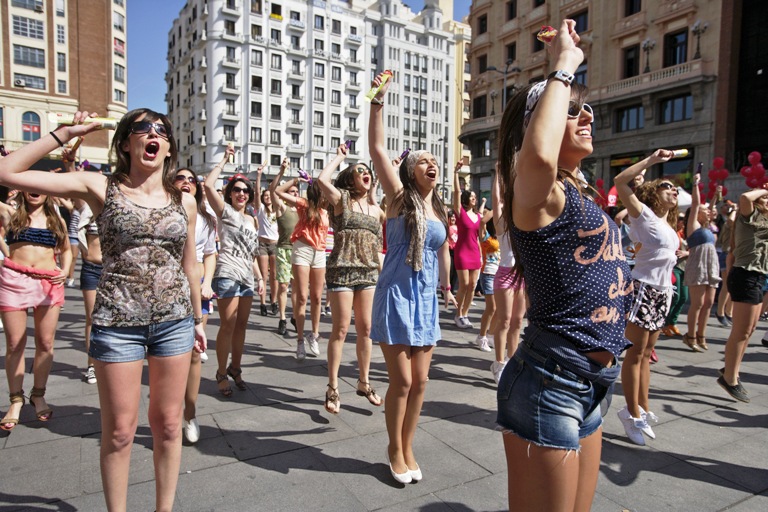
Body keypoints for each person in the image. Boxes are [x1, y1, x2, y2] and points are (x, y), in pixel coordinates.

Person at [0, 109, 206, 512]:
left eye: (161, 131)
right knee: (119, 432)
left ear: (168, 148)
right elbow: (7, 171)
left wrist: (198, 320)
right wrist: (65, 133)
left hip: (174, 323)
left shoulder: (186, 201)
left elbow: (190, 265)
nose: (153, 134)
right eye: (142, 129)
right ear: (127, 142)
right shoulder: (100, 185)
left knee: (167, 426)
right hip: (117, 325)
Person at [495, 20, 631, 510]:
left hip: (593, 385)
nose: (587, 115)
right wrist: (565, 67)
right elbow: (535, 157)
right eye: (573, 111)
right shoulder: (540, 195)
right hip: (550, 381)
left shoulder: (581, 194)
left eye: (587, 108)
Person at [368, 71, 456, 484]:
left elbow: (443, 251)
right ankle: (393, 447)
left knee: (420, 382)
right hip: (397, 293)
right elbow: (377, 148)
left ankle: (408, 444)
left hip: (425, 298)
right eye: (424, 160)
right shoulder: (399, 198)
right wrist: (377, 102)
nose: (431, 164)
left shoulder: (438, 209)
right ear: (409, 169)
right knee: (401, 380)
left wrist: (448, 288)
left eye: (434, 161)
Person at [613, 151, 679, 446]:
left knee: (647, 356)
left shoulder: (668, 226)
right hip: (644, 290)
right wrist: (652, 161)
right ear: (654, 193)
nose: (674, 191)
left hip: (663, 292)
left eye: (675, 188)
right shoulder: (644, 215)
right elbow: (620, 181)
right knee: (635, 353)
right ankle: (630, 412)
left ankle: (643, 407)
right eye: (667, 187)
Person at [317, 144, 385, 414]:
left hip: (368, 272)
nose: (365, 173)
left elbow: (379, 247)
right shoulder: (340, 199)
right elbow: (321, 180)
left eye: (368, 171)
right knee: (341, 329)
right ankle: (332, 387)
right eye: (359, 171)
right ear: (349, 179)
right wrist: (340, 158)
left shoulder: (376, 209)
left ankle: (364, 382)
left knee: (366, 329)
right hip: (342, 270)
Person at [0, 190, 70, 431]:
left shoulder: (56, 219)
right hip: (14, 281)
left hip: (48, 283)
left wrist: (66, 269)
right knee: (15, 343)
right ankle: (15, 400)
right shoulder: (11, 213)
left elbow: (67, 250)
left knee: (45, 342)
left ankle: (38, 395)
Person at [204, 152, 263, 397]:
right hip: (227, 273)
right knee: (227, 326)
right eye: (237, 189)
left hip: (247, 277)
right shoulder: (226, 212)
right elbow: (207, 185)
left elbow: (252, 254)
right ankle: (220, 372)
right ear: (229, 193)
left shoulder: (252, 219)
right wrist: (224, 161)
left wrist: (260, 278)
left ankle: (235, 368)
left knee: (241, 326)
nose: (242, 193)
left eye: (246, 191)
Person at [174, 167, 216, 443]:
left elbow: (210, 253)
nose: (187, 182)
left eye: (192, 180)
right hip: (165, 287)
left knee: (193, 354)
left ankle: (190, 414)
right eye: (181, 178)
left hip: (197, 288)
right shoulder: (161, 208)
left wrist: (207, 282)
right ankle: (168, 414)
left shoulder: (205, 218)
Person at [718, 185, 768, 402]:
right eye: (765, 199)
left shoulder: (764, 220)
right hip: (746, 275)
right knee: (741, 331)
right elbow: (745, 196)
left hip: (757, 276)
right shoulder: (748, 215)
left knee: (748, 330)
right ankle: (729, 378)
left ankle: (732, 371)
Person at [275, 173, 329, 360]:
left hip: (320, 252)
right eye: (323, 192)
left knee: (316, 297)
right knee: (302, 297)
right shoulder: (304, 205)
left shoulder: (326, 210)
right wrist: (297, 181)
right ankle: (299, 340)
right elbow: (278, 191)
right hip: (303, 250)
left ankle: (313, 335)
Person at [489, 170, 526, 384]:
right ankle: (499, 363)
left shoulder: (524, 223)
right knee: (503, 321)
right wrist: (498, 174)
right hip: (504, 275)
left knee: (517, 321)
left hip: (521, 276)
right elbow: (496, 200)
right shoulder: (502, 224)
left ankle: (513, 362)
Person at [683, 176, 721, 352]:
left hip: (711, 265)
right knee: (697, 303)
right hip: (698, 265)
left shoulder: (709, 227)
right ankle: (690, 335)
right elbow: (697, 203)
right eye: (704, 210)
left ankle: (701, 334)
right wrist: (696, 183)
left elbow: (712, 208)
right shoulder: (693, 225)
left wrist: (716, 196)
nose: (708, 211)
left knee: (709, 303)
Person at [452, 165, 491, 329]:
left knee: (473, 285)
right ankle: (458, 314)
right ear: (466, 199)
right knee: (464, 285)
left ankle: (465, 314)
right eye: (472, 196)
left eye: (476, 197)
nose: (474, 198)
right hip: (462, 252)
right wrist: (455, 173)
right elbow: (456, 193)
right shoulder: (460, 213)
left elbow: (482, 226)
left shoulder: (478, 216)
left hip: (475, 252)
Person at [270, 159, 299, 336]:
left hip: (299, 252)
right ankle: (282, 318)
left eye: (296, 192)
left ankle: (295, 316)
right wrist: (285, 173)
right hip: (283, 250)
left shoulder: (302, 208)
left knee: (298, 288)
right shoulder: (281, 207)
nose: (295, 194)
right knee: (283, 286)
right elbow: (274, 190)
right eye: (291, 192)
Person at [253, 165, 279, 317]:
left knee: (274, 275)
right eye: (266, 195)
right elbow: (256, 192)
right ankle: (262, 303)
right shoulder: (261, 208)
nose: (267, 197)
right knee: (263, 274)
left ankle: (273, 301)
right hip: (262, 243)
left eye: (270, 195)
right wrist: (258, 176)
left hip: (275, 244)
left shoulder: (277, 209)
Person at [661, 213, 690, 339]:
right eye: (680, 219)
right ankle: (665, 324)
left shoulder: (686, 233)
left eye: (684, 219)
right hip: (675, 268)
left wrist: (687, 252)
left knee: (684, 297)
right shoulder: (673, 233)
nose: (682, 222)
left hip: (686, 268)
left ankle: (672, 322)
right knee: (676, 297)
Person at [476, 223, 499, 352]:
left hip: (499, 274)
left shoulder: (500, 234)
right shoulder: (486, 236)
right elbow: (483, 221)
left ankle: (490, 334)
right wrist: (498, 204)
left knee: (498, 309)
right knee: (492, 308)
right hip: (488, 274)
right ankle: (482, 336)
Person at [715, 201, 737, 326]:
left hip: (736, 254)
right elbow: (731, 221)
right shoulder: (730, 221)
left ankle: (729, 312)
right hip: (725, 253)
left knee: (733, 285)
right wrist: (734, 209)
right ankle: (720, 312)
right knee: (727, 284)